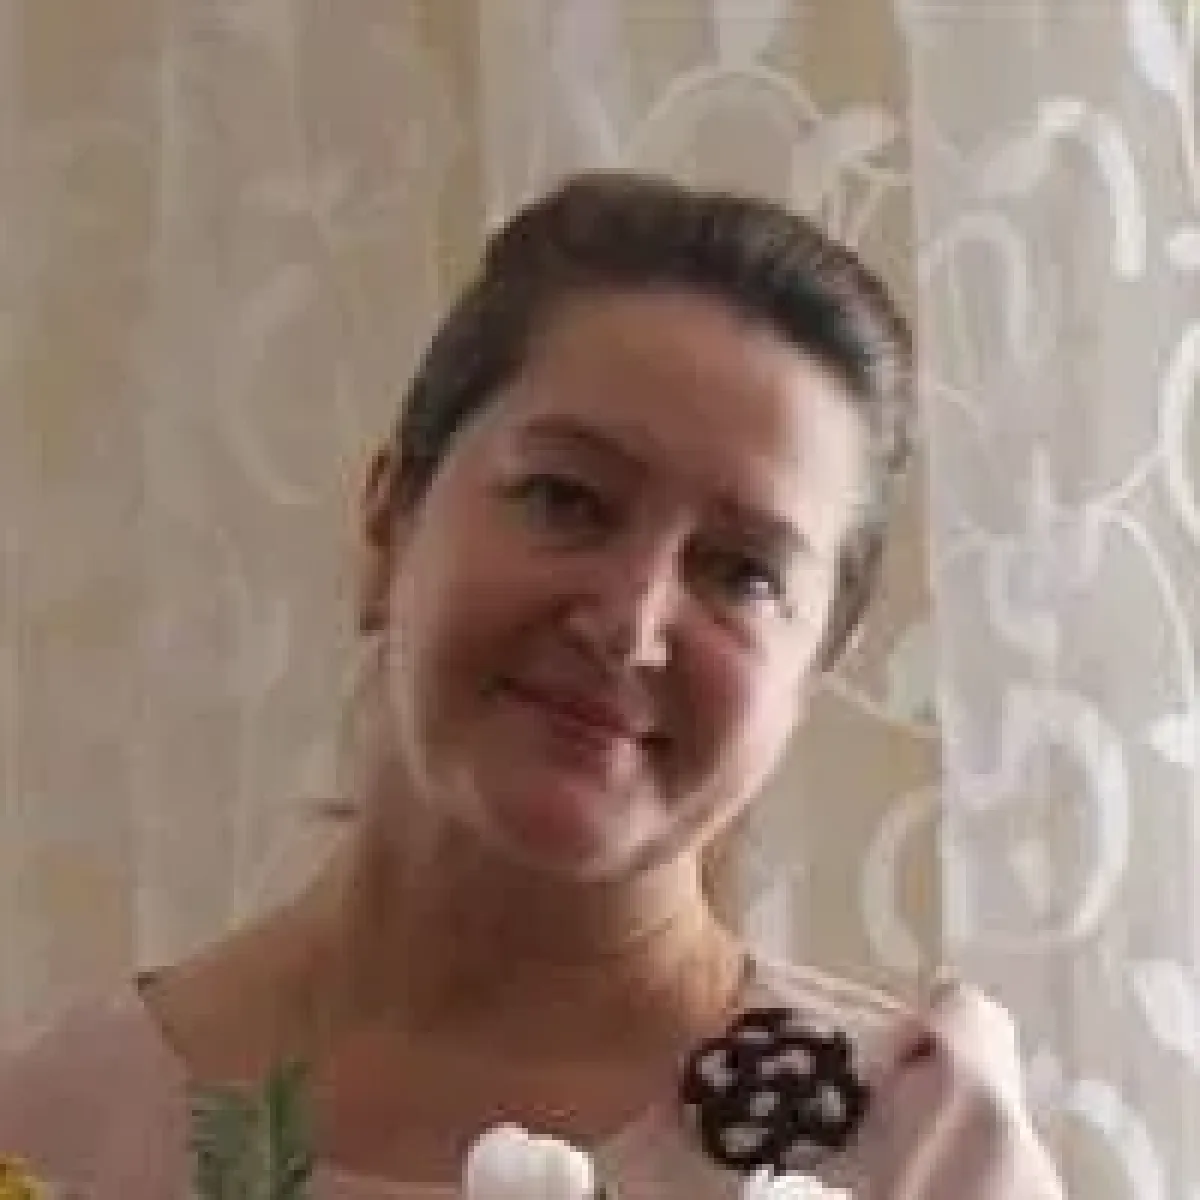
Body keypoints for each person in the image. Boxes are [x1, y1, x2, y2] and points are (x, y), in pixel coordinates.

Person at [0, 172, 1064, 1198]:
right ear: (390, 519)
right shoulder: (42, 1135)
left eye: (741, 572)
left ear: (813, 670)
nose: (630, 625)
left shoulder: (915, 1156)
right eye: (567, 500)